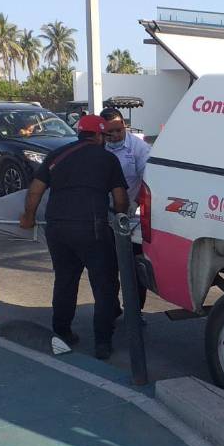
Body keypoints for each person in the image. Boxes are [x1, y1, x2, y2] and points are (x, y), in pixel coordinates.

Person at [20, 115, 129, 360]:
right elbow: (120, 199)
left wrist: (28, 217)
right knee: (104, 285)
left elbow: (35, 190)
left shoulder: (56, 155)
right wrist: (122, 220)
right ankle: (102, 342)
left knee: (66, 280)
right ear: (99, 136)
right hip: (93, 229)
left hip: (58, 229)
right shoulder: (108, 159)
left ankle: (62, 332)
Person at [100, 107, 151, 313]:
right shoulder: (98, 146)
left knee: (134, 270)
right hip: (104, 215)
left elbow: (149, 180)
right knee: (107, 268)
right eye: (108, 132)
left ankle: (135, 312)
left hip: (131, 216)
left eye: (118, 130)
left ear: (124, 126)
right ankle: (111, 310)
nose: (114, 136)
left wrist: (135, 203)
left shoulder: (139, 148)